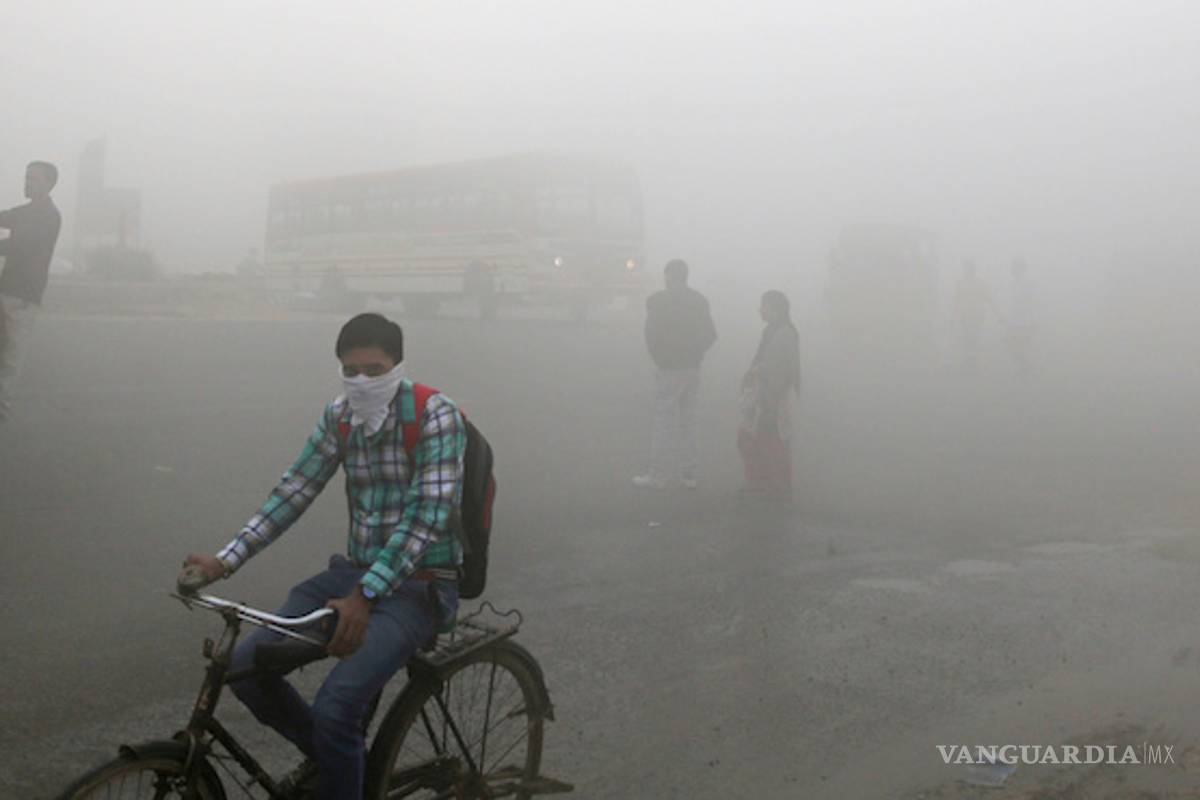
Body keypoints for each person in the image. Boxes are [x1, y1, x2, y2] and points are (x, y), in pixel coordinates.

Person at [178, 312, 465, 799]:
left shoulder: (436, 415)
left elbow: (426, 518)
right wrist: (225, 560)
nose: (362, 381)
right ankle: (343, 766)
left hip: (419, 586)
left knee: (336, 708)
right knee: (247, 670)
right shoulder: (341, 416)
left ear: (397, 365)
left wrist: (366, 595)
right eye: (351, 371)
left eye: (374, 370)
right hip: (353, 578)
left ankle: (340, 765)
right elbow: (295, 490)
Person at [634, 258, 717, 489]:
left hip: (668, 368)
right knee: (688, 421)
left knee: (664, 421)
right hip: (692, 367)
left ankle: (658, 475)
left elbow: (651, 334)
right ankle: (688, 474)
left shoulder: (659, 302)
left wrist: (661, 358)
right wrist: (696, 353)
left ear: (668, 276)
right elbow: (711, 335)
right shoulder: (699, 301)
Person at [0, 161, 62, 421]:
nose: (26, 182)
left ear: (49, 183)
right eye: (26, 177)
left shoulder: (49, 216)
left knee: (9, 357)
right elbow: (4, 217)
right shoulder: (26, 212)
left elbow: (21, 244)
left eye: (33, 178)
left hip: (24, 297)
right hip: (6, 290)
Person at [737, 290, 800, 500]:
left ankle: (775, 486)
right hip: (765, 393)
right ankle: (763, 483)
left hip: (773, 396)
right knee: (756, 437)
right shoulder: (773, 331)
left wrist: (769, 399)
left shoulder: (784, 334)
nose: (760, 310)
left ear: (776, 309)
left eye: (763, 306)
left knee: (772, 440)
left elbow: (783, 370)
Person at [951, 260, 998, 375]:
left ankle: (972, 362)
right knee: (969, 339)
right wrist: (954, 315)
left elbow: (989, 298)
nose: (968, 270)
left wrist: (997, 313)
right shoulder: (963, 283)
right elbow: (957, 301)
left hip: (976, 316)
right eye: (967, 268)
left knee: (972, 339)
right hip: (967, 316)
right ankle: (970, 362)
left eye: (969, 268)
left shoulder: (977, 283)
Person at [1004, 257, 1036, 379]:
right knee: (1013, 345)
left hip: (1025, 321)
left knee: (1018, 345)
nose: (1011, 269)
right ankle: (1024, 368)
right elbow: (1014, 303)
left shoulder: (1027, 283)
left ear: (1020, 268)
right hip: (1015, 320)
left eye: (1014, 267)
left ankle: (1025, 369)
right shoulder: (1015, 283)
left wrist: (1033, 320)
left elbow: (1031, 302)